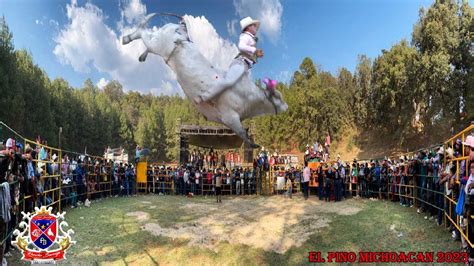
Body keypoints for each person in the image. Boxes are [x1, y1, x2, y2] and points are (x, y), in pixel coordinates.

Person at [194, 16, 264, 104]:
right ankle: (202, 97)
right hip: (241, 63)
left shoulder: (251, 38)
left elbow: (249, 52)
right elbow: (241, 46)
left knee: (239, 90)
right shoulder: (245, 36)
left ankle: (215, 100)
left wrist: (256, 54)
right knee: (229, 81)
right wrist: (255, 50)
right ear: (248, 27)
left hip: (245, 66)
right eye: (254, 26)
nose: (256, 28)